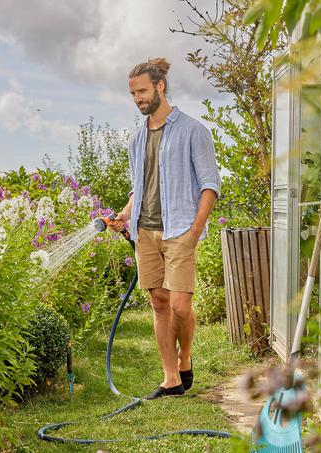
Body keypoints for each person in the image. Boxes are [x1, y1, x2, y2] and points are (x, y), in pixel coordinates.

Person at [110, 58, 221, 399]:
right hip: (146, 230)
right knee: (159, 303)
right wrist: (125, 215)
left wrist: (194, 231)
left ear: (160, 86)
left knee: (180, 307)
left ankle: (185, 356)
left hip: (179, 230)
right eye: (132, 93)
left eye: (142, 90)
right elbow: (138, 188)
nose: (137, 98)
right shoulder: (136, 139)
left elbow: (210, 185)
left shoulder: (193, 130)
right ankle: (170, 377)